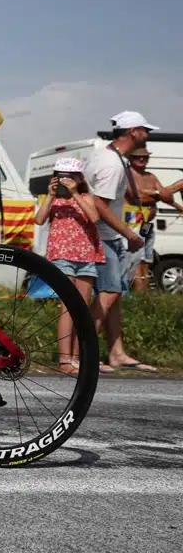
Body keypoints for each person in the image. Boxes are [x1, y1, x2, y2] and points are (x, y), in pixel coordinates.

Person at [82, 111, 156, 373]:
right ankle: (86, 353)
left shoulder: (108, 156)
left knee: (114, 296)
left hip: (105, 236)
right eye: (145, 130)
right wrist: (129, 234)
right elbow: (100, 203)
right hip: (104, 236)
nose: (148, 135)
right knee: (110, 292)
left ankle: (116, 353)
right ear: (133, 132)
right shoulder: (112, 163)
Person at [34, 157, 103, 374]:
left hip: (86, 256)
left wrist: (74, 193)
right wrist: (50, 194)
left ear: (79, 178)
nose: (65, 180)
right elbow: (39, 220)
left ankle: (76, 358)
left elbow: (94, 217)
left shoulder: (86, 197)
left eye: (70, 176)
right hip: (61, 255)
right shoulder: (53, 199)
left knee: (82, 308)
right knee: (67, 306)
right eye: (60, 176)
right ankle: (64, 360)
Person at [123, 147, 182, 291]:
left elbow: (167, 197)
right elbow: (138, 197)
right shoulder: (126, 175)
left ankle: (144, 295)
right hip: (132, 219)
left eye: (145, 157)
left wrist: (177, 206)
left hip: (146, 222)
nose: (142, 159)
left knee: (146, 260)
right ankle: (139, 296)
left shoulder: (150, 176)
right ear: (130, 158)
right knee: (136, 260)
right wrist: (162, 192)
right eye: (138, 157)